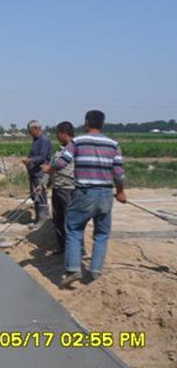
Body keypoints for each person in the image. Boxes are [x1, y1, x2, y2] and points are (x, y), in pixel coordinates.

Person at [43, 110, 126, 288]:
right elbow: (119, 173)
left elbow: (62, 162)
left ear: (87, 123)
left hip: (84, 193)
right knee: (102, 234)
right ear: (102, 124)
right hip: (105, 194)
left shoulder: (78, 141)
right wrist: (120, 192)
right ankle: (95, 270)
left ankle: (73, 269)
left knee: (73, 229)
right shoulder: (113, 145)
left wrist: (49, 168)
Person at [49, 121, 76, 254]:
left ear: (64, 134)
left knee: (69, 220)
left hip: (68, 189)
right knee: (58, 219)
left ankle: (73, 249)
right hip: (57, 188)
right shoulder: (59, 150)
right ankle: (62, 247)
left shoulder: (75, 148)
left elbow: (58, 166)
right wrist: (44, 183)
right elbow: (51, 168)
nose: (57, 137)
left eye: (58, 134)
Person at [22, 120, 52, 227]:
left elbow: (42, 157)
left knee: (41, 195)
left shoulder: (44, 140)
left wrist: (30, 160)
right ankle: (37, 219)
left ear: (36, 129)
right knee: (35, 195)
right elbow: (33, 155)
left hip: (41, 172)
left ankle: (43, 221)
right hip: (34, 171)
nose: (29, 133)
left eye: (30, 131)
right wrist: (28, 160)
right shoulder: (35, 140)